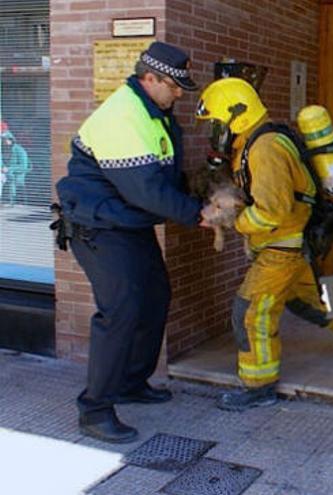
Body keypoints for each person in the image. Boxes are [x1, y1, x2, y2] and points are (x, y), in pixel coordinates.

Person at [54, 41, 205, 443]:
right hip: (98, 226)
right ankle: (95, 408)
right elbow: (146, 190)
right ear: (149, 77)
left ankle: (131, 382)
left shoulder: (156, 113)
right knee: (120, 311)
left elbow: (165, 175)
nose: (178, 93)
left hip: (128, 223)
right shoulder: (122, 115)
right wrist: (198, 213)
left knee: (155, 297)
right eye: (174, 86)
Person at [194, 77, 333, 411]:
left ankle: (259, 386)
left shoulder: (265, 149)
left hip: (281, 248)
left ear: (237, 116)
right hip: (285, 245)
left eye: (216, 124)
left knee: (250, 312)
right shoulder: (253, 143)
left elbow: (272, 212)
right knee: (309, 302)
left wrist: (231, 221)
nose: (213, 132)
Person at [0, 130, 30, 206]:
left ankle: (13, 202)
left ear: (11, 139)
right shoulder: (4, 149)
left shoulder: (20, 150)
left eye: (5, 139)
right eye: (2, 139)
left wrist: (9, 169)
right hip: (6, 175)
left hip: (16, 177)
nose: (3, 141)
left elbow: (24, 166)